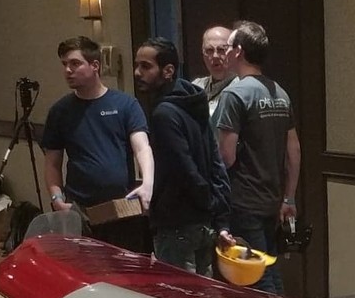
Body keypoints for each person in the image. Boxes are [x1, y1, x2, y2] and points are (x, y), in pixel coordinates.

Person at [41, 35, 154, 253]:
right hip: (80, 210)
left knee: (124, 266)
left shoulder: (125, 104)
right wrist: (56, 199)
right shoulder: (60, 111)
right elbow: (52, 163)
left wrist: (147, 184)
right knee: (84, 266)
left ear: (95, 66)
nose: (68, 70)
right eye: (64, 64)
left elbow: (142, 148)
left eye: (75, 63)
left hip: (122, 206)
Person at [213, 20, 300, 293]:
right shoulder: (280, 93)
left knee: (255, 277)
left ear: (239, 51)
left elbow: (226, 156)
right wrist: (289, 198)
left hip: (244, 200)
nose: (224, 53)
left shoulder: (234, 94)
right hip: (272, 198)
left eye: (227, 47)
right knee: (269, 267)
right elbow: (294, 151)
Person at [134, 37, 228, 276]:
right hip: (202, 222)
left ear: (168, 71)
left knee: (180, 293)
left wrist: (207, 203)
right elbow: (215, 162)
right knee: (203, 293)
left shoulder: (164, 113)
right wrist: (216, 212)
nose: (137, 73)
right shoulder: (194, 101)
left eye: (145, 66)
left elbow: (184, 168)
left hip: (177, 222)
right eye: (137, 65)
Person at [193, 24, 235, 124]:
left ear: (234, 52)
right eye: (209, 50)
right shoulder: (195, 88)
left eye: (221, 50)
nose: (215, 56)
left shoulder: (243, 89)